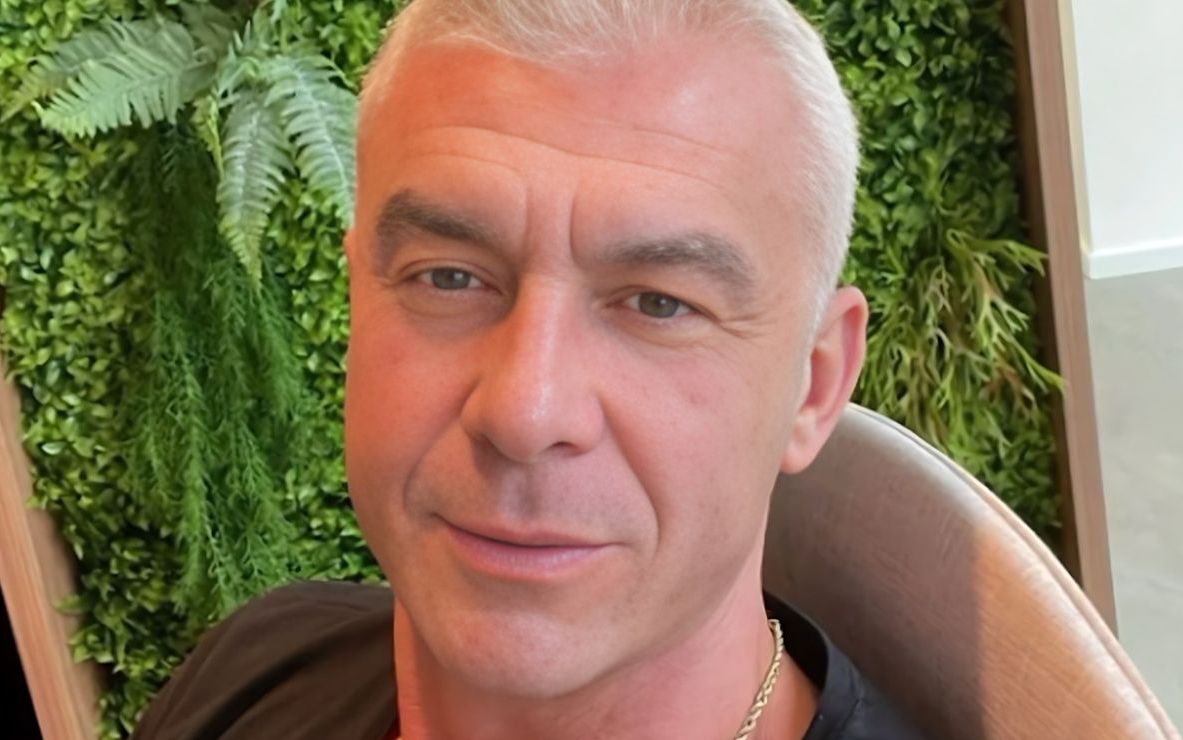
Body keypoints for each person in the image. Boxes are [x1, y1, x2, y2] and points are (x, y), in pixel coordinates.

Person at [134, 1, 924, 738]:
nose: (524, 411)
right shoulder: (256, 667)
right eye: (448, 277)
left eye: (658, 304)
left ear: (816, 384)